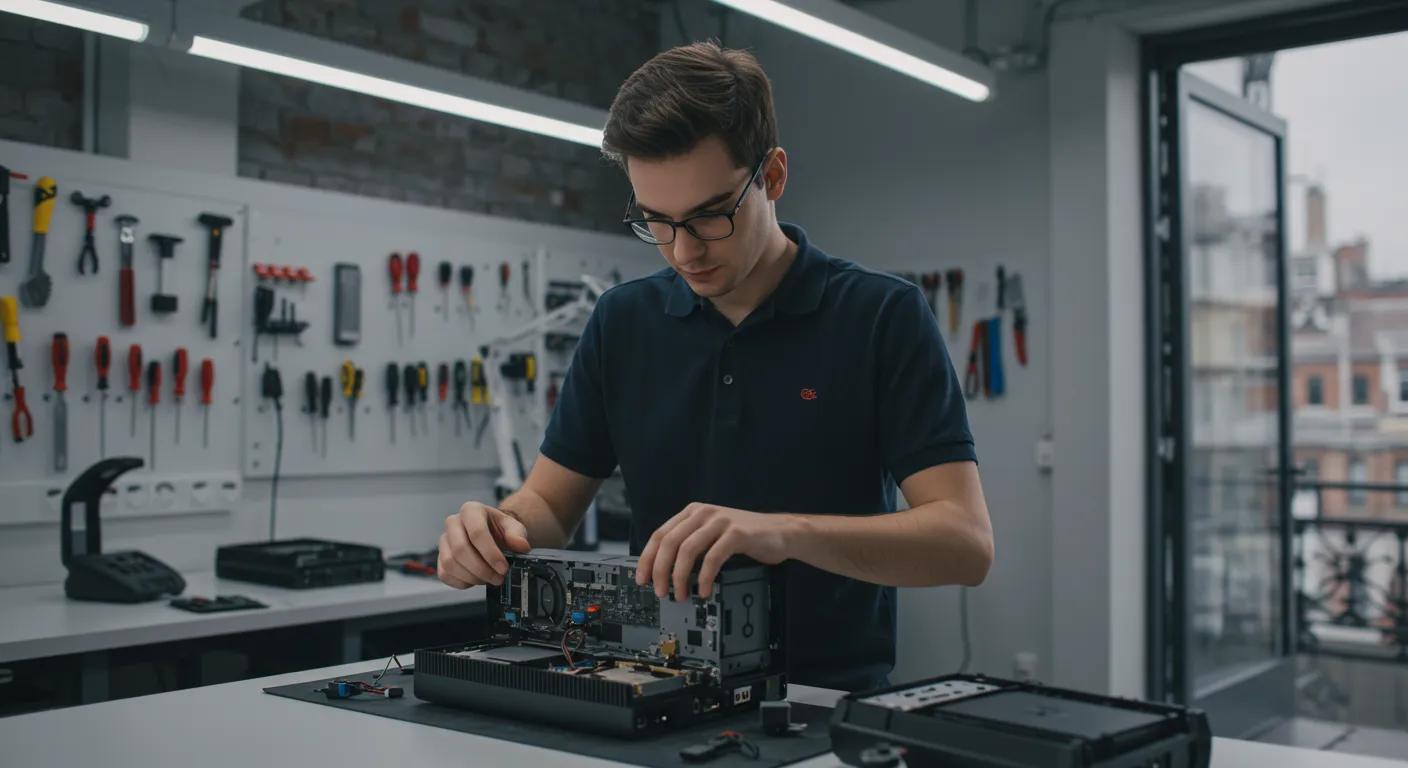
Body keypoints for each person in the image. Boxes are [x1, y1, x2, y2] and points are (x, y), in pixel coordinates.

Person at [439, 41, 993, 692]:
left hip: (823, 703)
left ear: (774, 177)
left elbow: (964, 542)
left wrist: (782, 531)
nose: (683, 251)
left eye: (709, 217)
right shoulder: (621, 321)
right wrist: (495, 530)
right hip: (656, 687)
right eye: (656, 222)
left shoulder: (881, 316)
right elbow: (547, 506)